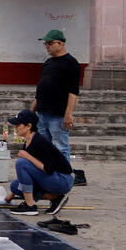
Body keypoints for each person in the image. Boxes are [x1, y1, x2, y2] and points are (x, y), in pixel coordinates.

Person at [30, 29, 86, 186]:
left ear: (60, 43)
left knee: (61, 147)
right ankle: (46, 175)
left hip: (57, 114)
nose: (47, 46)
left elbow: (73, 91)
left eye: (49, 43)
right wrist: (31, 111)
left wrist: (69, 113)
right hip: (42, 112)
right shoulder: (48, 63)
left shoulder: (71, 63)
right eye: (45, 44)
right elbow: (40, 90)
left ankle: (65, 177)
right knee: (42, 146)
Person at [4, 109, 73, 216]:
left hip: (62, 180)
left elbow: (48, 169)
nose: (15, 128)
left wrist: (28, 157)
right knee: (15, 186)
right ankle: (56, 198)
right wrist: (10, 196)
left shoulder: (40, 141)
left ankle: (30, 206)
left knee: (21, 163)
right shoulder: (28, 142)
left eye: (18, 125)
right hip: (50, 177)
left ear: (28, 126)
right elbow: (28, 173)